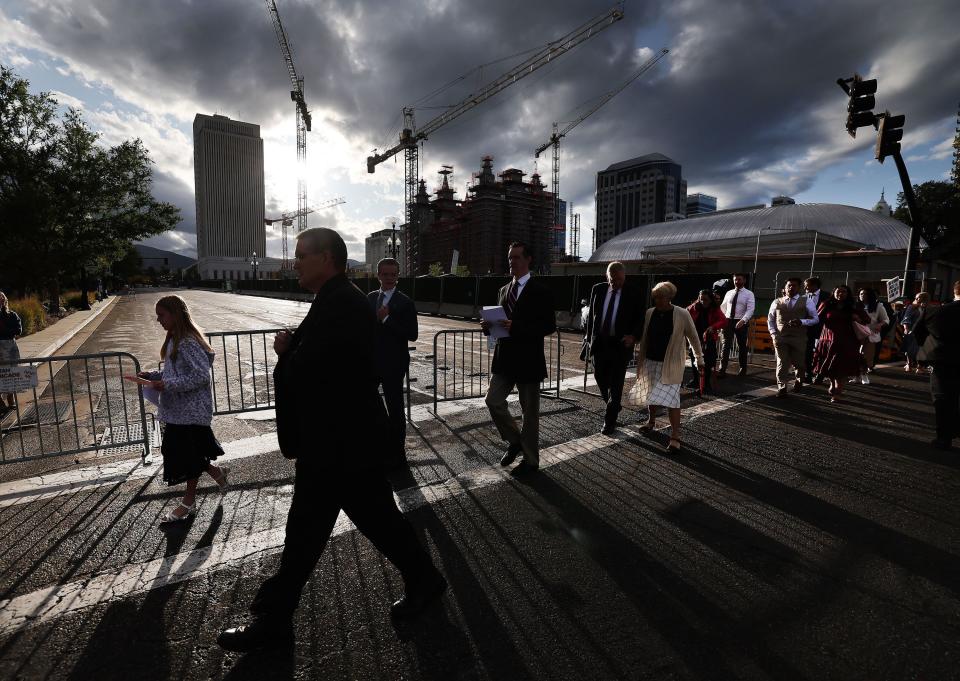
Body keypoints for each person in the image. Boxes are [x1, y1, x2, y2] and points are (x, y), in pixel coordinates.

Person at [218, 228, 445, 652]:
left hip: (339, 442)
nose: (296, 262)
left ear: (326, 258)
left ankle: (274, 622)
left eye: (302, 255)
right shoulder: (336, 298)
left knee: (312, 531)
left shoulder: (342, 303)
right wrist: (293, 346)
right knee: (364, 523)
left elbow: (311, 368)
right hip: (343, 441)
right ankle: (425, 580)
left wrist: (286, 352)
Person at [124, 295, 229, 522]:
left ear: (175, 314)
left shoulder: (187, 342)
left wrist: (166, 384)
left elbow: (200, 376)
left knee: (186, 456)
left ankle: (188, 503)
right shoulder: (175, 340)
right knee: (183, 453)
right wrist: (153, 376)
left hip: (190, 412)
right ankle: (216, 473)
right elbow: (176, 373)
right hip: (179, 412)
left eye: (162, 315)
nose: (158, 320)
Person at [481, 241, 556, 474]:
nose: (512, 262)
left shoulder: (540, 291)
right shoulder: (503, 290)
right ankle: (515, 442)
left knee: (529, 413)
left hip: (528, 359)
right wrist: (487, 326)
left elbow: (548, 326)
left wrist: (517, 326)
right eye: (510, 257)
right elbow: (499, 326)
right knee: (492, 400)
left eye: (516, 257)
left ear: (528, 259)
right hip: (504, 358)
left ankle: (531, 460)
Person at [628, 281, 704, 453]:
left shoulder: (682, 314)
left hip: (671, 364)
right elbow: (644, 335)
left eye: (661, 298)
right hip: (651, 360)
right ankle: (651, 420)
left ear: (670, 297)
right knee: (650, 394)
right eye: (656, 298)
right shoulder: (650, 313)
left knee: (672, 400)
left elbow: (693, 337)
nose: (658, 301)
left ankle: (675, 436)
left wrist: (699, 359)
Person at [368, 257, 418, 469]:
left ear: (398, 276)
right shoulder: (369, 298)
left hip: (394, 363)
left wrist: (388, 320)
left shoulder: (405, 302)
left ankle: (397, 452)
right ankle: (377, 444)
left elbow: (412, 334)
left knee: (395, 408)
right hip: (371, 362)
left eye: (393, 275)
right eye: (385, 274)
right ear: (378, 275)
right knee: (367, 404)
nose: (389, 278)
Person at [583, 262, 643, 434]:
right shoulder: (598, 289)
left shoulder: (634, 292)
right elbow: (593, 317)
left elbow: (640, 318)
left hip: (621, 344)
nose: (614, 282)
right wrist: (588, 337)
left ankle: (609, 421)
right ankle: (614, 405)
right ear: (606, 276)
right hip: (600, 342)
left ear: (624, 276)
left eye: (618, 279)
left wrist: (634, 336)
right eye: (611, 279)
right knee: (599, 376)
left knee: (616, 383)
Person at [916, 280, 960, 450]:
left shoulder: (935, 311)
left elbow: (918, 333)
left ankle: (944, 437)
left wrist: (930, 350)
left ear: (954, 291)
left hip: (943, 360)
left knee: (943, 398)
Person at [812, 285, 869, 402]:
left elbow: (867, 320)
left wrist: (856, 317)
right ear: (834, 292)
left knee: (843, 367)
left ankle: (838, 391)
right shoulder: (827, 304)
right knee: (831, 367)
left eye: (844, 292)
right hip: (828, 340)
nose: (841, 294)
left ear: (848, 294)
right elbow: (816, 319)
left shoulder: (854, 306)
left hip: (847, 342)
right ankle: (833, 384)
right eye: (839, 291)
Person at [767, 278, 819, 397]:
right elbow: (770, 319)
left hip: (799, 337)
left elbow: (815, 319)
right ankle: (782, 387)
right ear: (785, 288)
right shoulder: (776, 302)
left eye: (794, 286)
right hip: (781, 337)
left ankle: (799, 381)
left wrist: (802, 321)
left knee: (799, 363)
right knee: (782, 363)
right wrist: (773, 334)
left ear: (799, 288)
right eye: (789, 285)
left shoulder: (806, 301)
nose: (791, 288)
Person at [685, 289, 726, 396]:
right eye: (701, 299)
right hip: (695, 337)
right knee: (694, 359)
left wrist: (713, 327)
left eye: (706, 300)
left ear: (710, 299)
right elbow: (685, 315)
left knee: (708, 361)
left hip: (709, 337)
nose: (703, 302)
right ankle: (695, 381)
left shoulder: (715, 309)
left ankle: (706, 384)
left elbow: (723, 320)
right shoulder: (693, 307)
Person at [718, 273, 755, 378]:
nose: (737, 282)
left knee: (742, 346)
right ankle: (722, 369)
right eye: (735, 280)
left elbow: (750, 309)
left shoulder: (749, 294)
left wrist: (743, 320)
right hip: (728, 321)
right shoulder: (729, 293)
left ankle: (743, 369)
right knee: (726, 346)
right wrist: (721, 320)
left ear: (744, 281)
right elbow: (723, 307)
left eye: (739, 279)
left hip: (741, 321)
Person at [852, 288, 889, 385]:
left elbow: (886, 320)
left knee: (865, 356)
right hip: (855, 333)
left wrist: (879, 325)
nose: (862, 295)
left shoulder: (878, 306)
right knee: (855, 356)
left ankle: (864, 375)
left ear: (870, 295)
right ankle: (857, 376)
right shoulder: (855, 306)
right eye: (860, 293)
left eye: (865, 293)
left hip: (870, 334)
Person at [803, 277, 832, 383]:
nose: (805, 287)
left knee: (823, 352)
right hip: (809, 328)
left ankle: (821, 374)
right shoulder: (803, 297)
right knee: (808, 351)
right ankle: (808, 374)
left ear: (814, 285)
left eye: (807, 285)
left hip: (824, 329)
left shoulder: (827, 296)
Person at [0, 291, 23, 416]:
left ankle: (10, 400)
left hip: (10, 348)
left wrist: (5, 331)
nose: (1, 301)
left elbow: (18, 330)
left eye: (2, 299)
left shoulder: (12, 315)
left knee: (11, 374)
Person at [901, 292, 930, 373]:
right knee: (909, 349)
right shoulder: (911, 307)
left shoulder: (927, 308)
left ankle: (919, 367)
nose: (917, 299)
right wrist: (906, 329)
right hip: (912, 331)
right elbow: (906, 319)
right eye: (916, 297)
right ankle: (909, 364)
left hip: (922, 332)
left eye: (919, 297)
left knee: (921, 350)